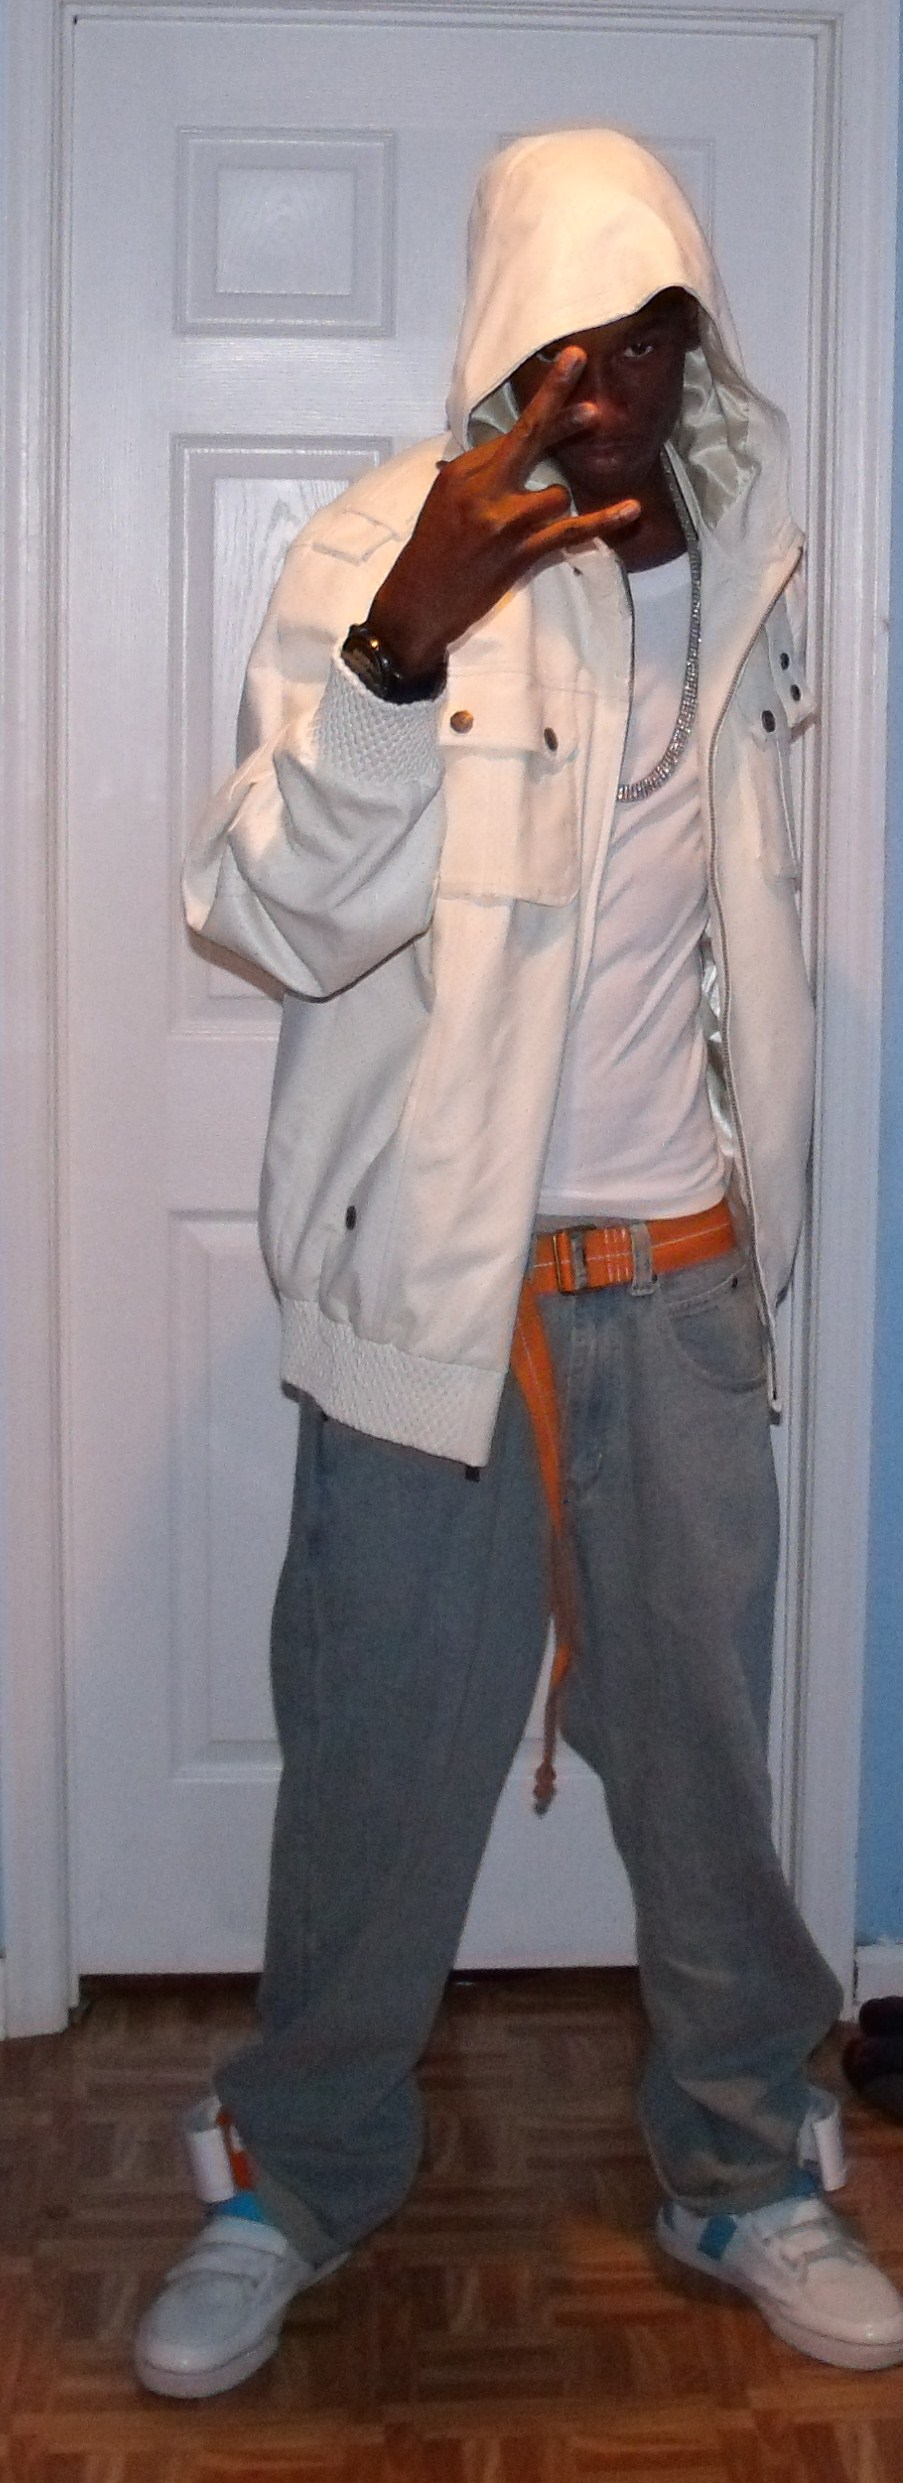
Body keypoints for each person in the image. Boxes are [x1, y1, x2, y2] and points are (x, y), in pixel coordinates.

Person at [134, 128, 903, 2399]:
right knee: (375, 1769)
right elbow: (264, 911)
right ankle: (295, 2180)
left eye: (649, 343)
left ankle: (740, 2162)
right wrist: (406, 646)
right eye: (568, 350)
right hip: (435, 1302)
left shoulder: (749, 555)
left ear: (691, 350)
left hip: (674, 1272)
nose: (610, 392)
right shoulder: (386, 550)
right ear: (501, 350)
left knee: (704, 1772)